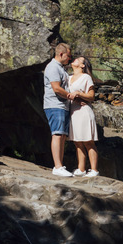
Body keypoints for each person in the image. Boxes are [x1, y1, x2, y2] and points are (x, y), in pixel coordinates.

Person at [44, 43, 75, 177]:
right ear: (61, 54)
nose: (70, 58)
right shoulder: (52, 67)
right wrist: (69, 95)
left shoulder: (60, 68)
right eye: (68, 56)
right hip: (55, 105)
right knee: (57, 134)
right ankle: (57, 166)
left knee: (62, 135)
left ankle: (60, 165)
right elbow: (56, 88)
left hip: (62, 106)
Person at [68, 56, 101, 177]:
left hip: (83, 112)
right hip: (73, 112)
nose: (74, 60)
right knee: (77, 142)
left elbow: (91, 96)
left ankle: (94, 170)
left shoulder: (86, 77)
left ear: (83, 65)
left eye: (78, 59)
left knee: (88, 141)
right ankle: (81, 169)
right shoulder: (68, 77)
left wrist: (79, 94)